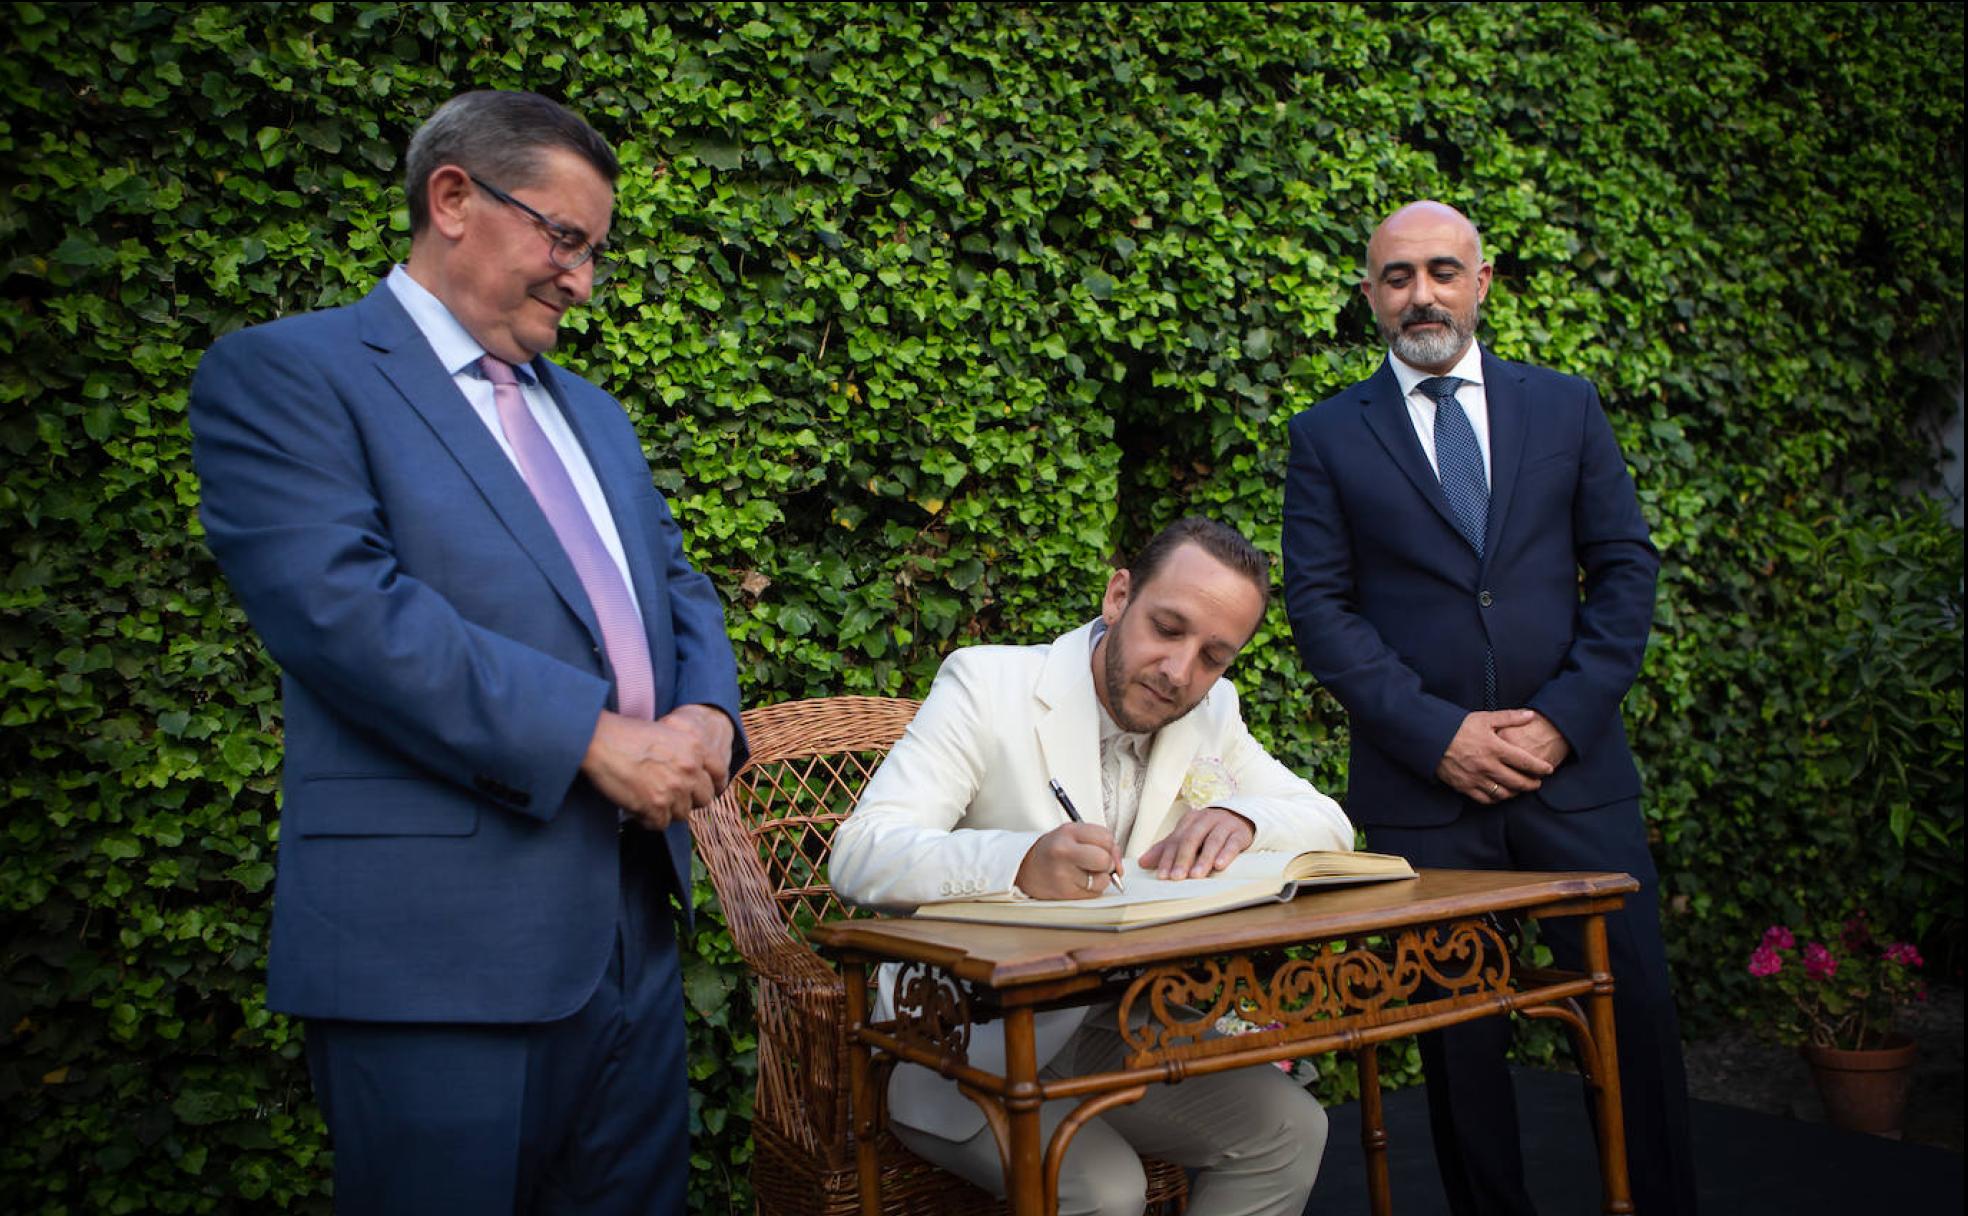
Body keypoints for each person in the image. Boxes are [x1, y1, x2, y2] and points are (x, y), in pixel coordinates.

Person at [189, 91, 745, 1215]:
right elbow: (344, 612)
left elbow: (677, 587)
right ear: (454, 197)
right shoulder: (289, 374)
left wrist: (708, 720)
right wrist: (592, 736)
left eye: (595, 252)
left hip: (631, 939)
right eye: (565, 239)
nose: (582, 280)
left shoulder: (595, 413)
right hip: (432, 959)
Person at [1281, 200, 1696, 1215]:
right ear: (1369, 296)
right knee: (1460, 1045)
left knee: (1635, 1011)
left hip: (1579, 774)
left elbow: (1626, 571)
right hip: (1429, 795)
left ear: (1482, 281)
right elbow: (1320, 610)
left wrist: (1560, 720)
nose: (1420, 292)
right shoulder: (1328, 434)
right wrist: (1440, 736)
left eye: (1441, 270)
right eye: (1395, 276)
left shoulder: (1565, 406)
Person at [831, 517, 1354, 1216]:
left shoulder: (1212, 712)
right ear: (1117, 597)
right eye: (1168, 628)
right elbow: (862, 853)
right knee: (1107, 1189)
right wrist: (1016, 863)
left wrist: (1243, 817)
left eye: (1213, 656)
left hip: (1119, 1030)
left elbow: (1330, 822)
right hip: (959, 1047)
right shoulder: (988, 683)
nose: (1180, 673)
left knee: (1293, 1130)